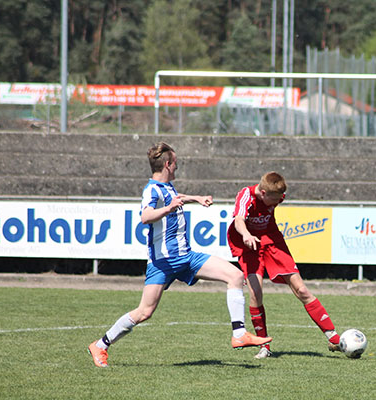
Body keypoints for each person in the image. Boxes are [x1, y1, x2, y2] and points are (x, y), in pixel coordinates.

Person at [88, 142, 271, 368]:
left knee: (235, 276)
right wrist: (168, 208)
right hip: (163, 263)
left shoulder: (167, 187)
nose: (177, 167)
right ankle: (100, 345)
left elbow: (177, 197)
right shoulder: (151, 190)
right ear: (167, 164)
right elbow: (145, 216)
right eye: (176, 163)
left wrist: (196, 198)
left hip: (186, 257)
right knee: (144, 312)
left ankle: (239, 334)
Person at [227, 171, 340, 359]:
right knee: (256, 293)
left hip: (272, 241)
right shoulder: (246, 195)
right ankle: (264, 345)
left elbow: (276, 197)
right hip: (248, 245)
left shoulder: (277, 195)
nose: (277, 202)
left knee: (302, 290)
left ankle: (334, 338)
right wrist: (246, 235)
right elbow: (238, 220)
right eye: (274, 199)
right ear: (263, 193)